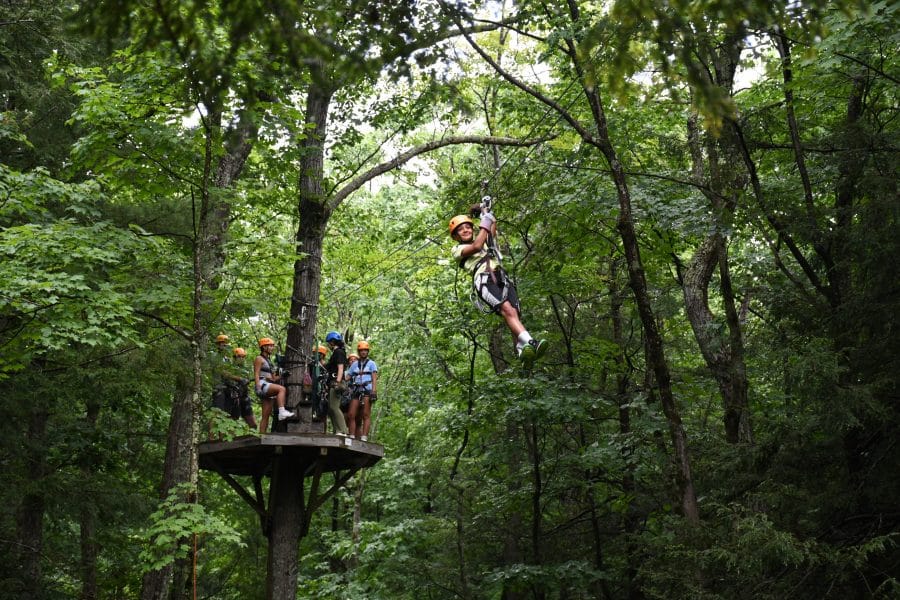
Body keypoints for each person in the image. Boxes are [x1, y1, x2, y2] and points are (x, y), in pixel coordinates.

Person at [449, 211, 547, 365]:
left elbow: (491, 225)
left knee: (515, 313)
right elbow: (476, 246)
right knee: (507, 309)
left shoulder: (486, 241)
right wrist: (485, 221)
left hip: (502, 278)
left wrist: (485, 211)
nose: (466, 230)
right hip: (484, 280)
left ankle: (522, 351)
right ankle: (531, 343)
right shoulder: (457, 250)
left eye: (468, 227)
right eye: (461, 229)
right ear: (456, 236)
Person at [254, 337, 295, 433]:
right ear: (264, 347)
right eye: (270, 346)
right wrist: (258, 387)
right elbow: (256, 373)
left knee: (266, 415)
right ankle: (282, 411)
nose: (272, 348)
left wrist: (282, 375)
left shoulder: (269, 362)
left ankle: (262, 436)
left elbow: (273, 378)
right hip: (262, 384)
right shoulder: (259, 359)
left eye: (273, 346)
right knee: (282, 389)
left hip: (268, 384)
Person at [346, 340, 378, 441]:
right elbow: (347, 377)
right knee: (351, 414)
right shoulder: (354, 364)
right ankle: (351, 435)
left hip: (367, 390)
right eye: (361, 350)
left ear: (367, 352)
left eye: (365, 350)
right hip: (356, 390)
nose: (363, 352)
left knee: (365, 414)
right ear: (359, 352)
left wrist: (374, 391)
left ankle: (364, 437)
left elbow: (374, 378)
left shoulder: (372, 364)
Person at [324, 331, 350, 436]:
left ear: (332, 342)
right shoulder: (336, 353)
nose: (328, 345)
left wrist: (338, 382)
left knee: (334, 407)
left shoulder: (339, 352)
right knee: (331, 408)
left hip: (337, 382)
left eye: (329, 342)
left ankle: (343, 431)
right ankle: (337, 430)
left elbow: (340, 367)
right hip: (333, 382)